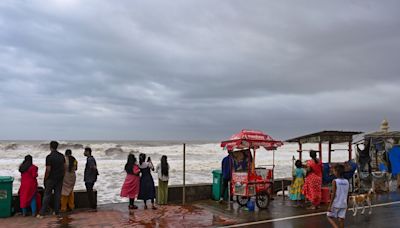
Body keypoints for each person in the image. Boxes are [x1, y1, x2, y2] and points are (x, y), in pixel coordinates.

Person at [37, 141, 65, 218]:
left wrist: (45, 178)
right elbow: (64, 167)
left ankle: (42, 213)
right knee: (57, 195)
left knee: (47, 195)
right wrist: (62, 176)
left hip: (51, 178)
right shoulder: (61, 156)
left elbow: (48, 169)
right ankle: (56, 211)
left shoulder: (49, 157)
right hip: (59, 178)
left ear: (50, 147)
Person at [84, 147, 99, 211]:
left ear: (88, 152)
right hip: (90, 178)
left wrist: (94, 174)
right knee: (90, 192)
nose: (84, 153)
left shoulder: (90, 159)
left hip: (89, 178)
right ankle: (93, 206)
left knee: (90, 193)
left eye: (85, 151)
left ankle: (92, 207)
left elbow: (93, 167)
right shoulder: (91, 158)